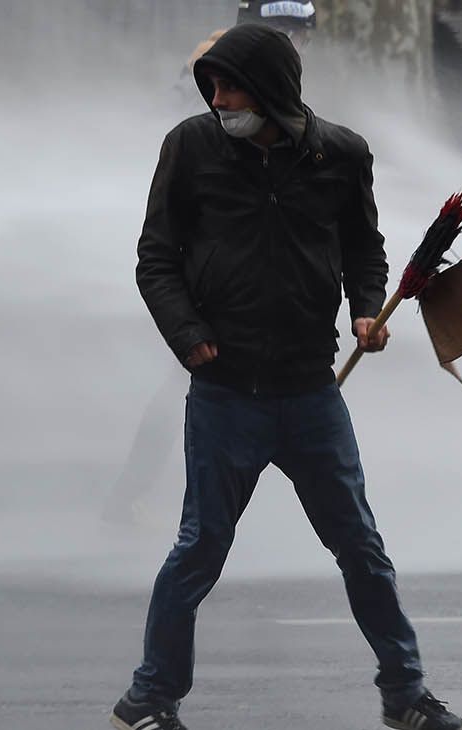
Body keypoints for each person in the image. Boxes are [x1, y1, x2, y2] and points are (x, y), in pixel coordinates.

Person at [109, 23, 462, 730]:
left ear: (273, 89)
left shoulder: (341, 155)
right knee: (200, 549)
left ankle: (406, 695)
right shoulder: (190, 147)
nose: (218, 99)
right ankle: (149, 699)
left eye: (231, 85)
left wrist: (369, 311)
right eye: (211, 86)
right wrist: (189, 338)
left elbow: (365, 250)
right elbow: (156, 258)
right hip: (224, 395)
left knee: (361, 548)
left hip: (311, 394)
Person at [107, 0, 321, 527]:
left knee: (192, 384)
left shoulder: (250, 62)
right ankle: (170, 506)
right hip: (208, 257)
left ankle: (166, 501)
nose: (296, 42)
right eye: (285, 30)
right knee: (192, 379)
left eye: (301, 31)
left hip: (237, 253)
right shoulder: (221, 63)